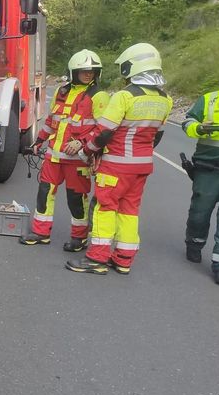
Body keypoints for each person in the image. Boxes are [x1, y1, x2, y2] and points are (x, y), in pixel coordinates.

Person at [66, 43, 172, 275]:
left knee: (105, 209)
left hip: (115, 166)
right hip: (142, 167)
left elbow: (103, 132)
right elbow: (157, 136)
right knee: (129, 211)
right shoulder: (165, 99)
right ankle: (124, 259)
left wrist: (87, 151)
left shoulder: (124, 97)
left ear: (131, 68)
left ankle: (97, 258)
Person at [20, 49, 106, 251]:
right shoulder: (61, 92)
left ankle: (79, 238)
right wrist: (38, 141)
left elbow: (103, 128)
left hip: (78, 159)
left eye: (92, 71)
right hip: (53, 156)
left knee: (76, 199)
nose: (88, 74)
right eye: (84, 71)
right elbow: (52, 122)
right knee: (44, 193)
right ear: (74, 72)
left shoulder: (99, 96)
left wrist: (83, 142)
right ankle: (41, 232)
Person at [181, 87, 219, 285]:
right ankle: (194, 243)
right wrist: (199, 128)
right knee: (199, 212)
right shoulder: (210, 99)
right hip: (208, 168)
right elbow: (187, 122)